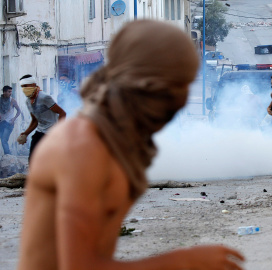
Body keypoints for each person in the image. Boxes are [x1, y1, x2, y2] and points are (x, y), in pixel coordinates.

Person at [17, 20, 245, 270]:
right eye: (175, 87)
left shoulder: (111, 140)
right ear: (144, 83)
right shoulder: (81, 147)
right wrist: (181, 262)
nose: (180, 101)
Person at [16, 75, 66, 161]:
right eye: (22, 87)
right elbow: (35, 120)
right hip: (40, 132)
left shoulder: (44, 97)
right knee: (32, 159)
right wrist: (25, 133)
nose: (23, 89)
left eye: (25, 86)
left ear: (33, 84)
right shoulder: (28, 101)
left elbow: (62, 113)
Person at [0, 85, 21, 155]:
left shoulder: (12, 101)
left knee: (4, 140)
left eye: (11, 91)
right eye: (9, 92)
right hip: (1, 122)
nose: (10, 93)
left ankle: (8, 156)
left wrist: (14, 119)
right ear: (4, 92)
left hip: (9, 124)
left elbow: (19, 111)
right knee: (2, 140)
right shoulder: (0, 100)